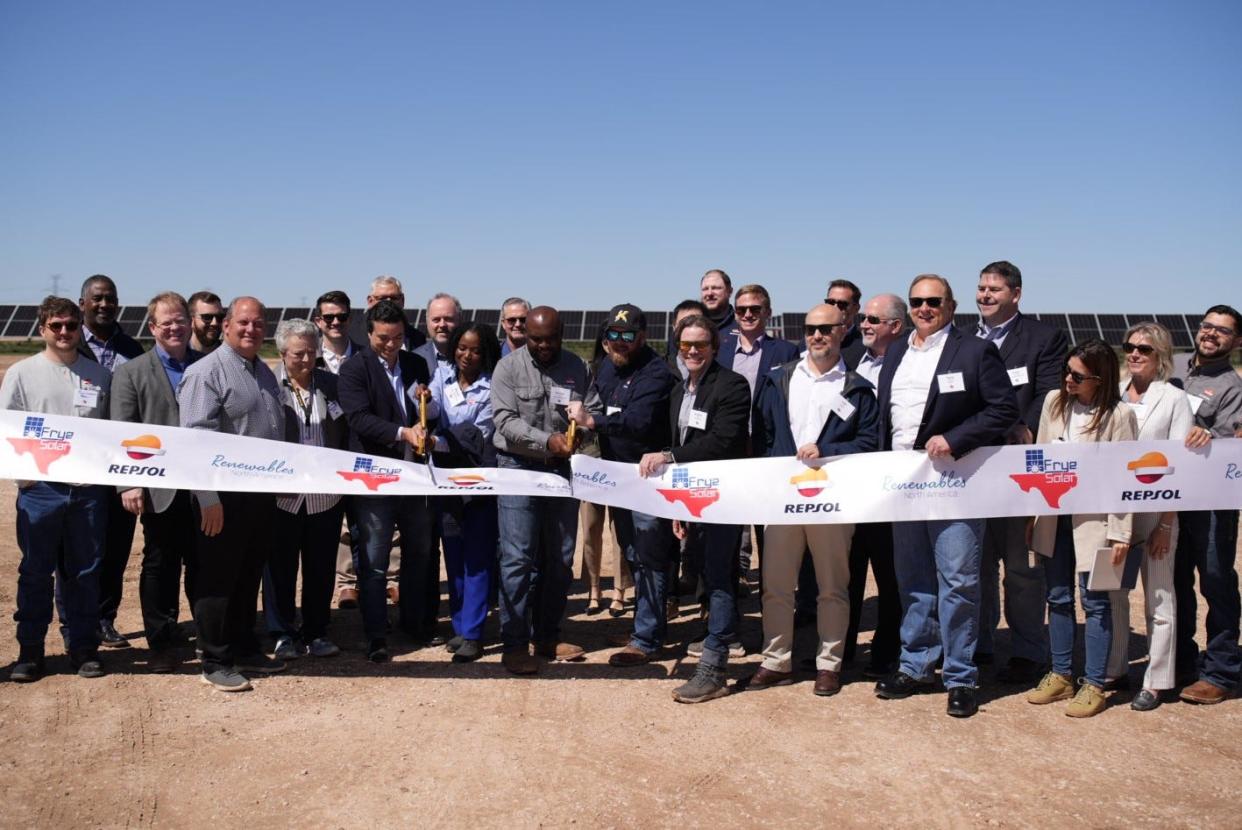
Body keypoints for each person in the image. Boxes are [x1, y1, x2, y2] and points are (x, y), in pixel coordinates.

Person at [874, 274, 1019, 718]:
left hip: (954, 485)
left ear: (951, 306)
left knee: (958, 581)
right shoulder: (896, 351)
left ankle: (960, 675)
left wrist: (955, 438)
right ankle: (917, 664)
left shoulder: (974, 351)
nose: (924, 308)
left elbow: (1003, 409)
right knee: (914, 580)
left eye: (933, 301)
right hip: (904, 484)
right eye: (917, 300)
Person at [748, 302, 879, 696]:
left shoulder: (857, 387)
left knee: (832, 586)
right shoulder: (778, 379)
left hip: (832, 502)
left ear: (844, 330)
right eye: (809, 329)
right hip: (782, 500)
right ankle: (776, 660)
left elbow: (870, 442)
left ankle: (829, 664)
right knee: (775, 584)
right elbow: (763, 438)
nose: (816, 336)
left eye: (825, 329)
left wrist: (829, 449)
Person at [639, 314, 751, 702]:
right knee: (705, 573)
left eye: (700, 345)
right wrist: (678, 507)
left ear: (714, 347)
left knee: (720, 578)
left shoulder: (732, 386)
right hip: (694, 501)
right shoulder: (678, 391)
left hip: (725, 499)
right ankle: (714, 651)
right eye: (686, 345)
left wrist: (669, 455)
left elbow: (722, 442)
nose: (692, 351)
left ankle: (715, 667)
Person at [179, 296, 288, 692]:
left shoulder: (264, 372)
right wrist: (207, 498)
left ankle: (244, 648)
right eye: (243, 323)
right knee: (217, 579)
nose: (250, 330)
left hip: (259, 496)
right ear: (226, 325)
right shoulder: (205, 372)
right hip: (222, 498)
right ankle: (215, 658)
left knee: (247, 576)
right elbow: (194, 439)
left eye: (258, 324)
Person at [2, 296, 112, 682]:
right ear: (42, 329)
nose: (64, 332)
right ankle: (30, 651)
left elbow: (109, 434)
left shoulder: (98, 376)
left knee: (84, 572)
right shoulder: (21, 373)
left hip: (88, 492)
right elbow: (9, 432)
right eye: (56, 326)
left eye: (70, 325)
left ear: (80, 326)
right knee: (35, 572)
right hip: (41, 491)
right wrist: (27, 481)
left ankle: (83, 647)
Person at [1026, 340, 1136, 717]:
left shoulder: (1119, 416)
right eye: (1066, 372)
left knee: (1096, 602)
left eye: (1077, 375)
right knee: (1056, 597)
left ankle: (1095, 684)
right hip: (1054, 517)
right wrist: (1033, 515)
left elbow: (1126, 477)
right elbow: (1037, 460)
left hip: (1096, 522)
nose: (1068, 380)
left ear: (1100, 378)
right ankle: (1060, 675)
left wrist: (1121, 532)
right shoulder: (1054, 403)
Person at [974, 260, 1069, 684]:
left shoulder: (1043, 338)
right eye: (981, 289)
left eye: (994, 289)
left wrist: (1022, 429)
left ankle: (1028, 651)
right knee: (973, 565)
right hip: (971, 466)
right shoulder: (963, 338)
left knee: (1020, 565)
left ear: (1016, 294)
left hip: (1019, 465)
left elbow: (1049, 393)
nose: (985, 296)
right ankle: (979, 645)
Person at [492, 306, 600, 674]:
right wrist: (546, 441)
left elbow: (592, 409)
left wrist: (580, 431)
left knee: (559, 557)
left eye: (549, 339)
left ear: (561, 334)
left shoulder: (577, 367)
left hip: (561, 472)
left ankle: (548, 635)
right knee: (518, 558)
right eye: (535, 339)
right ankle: (515, 643)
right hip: (517, 468)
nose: (541, 346)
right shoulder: (507, 368)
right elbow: (504, 422)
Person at [569, 304, 678, 667]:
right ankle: (643, 628)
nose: (619, 343)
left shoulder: (656, 372)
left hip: (649, 480)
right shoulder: (605, 367)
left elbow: (639, 422)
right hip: (619, 479)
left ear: (642, 337)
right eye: (612, 336)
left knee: (649, 557)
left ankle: (647, 639)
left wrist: (593, 421)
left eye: (627, 336)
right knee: (632, 554)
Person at [1108, 323, 1208, 710]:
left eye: (1144, 350)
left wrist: (1167, 523)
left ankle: (1158, 678)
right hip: (1115, 511)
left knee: (1159, 596)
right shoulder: (1113, 391)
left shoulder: (1174, 399)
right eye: (1129, 347)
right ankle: (1115, 669)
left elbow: (1179, 465)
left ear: (1160, 356)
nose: (1134, 354)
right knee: (1113, 592)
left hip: (1156, 509)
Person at [337, 299, 438, 661]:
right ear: (368, 335)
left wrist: (428, 416)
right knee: (375, 558)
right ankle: (376, 634)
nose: (391, 345)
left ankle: (414, 625)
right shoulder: (353, 369)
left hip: (413, 476)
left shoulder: (416, 363)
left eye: (396, 337)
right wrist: (402, 433)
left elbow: (425, 412)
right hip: (374, 480)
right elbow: (359, 419)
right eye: (383, 338)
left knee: (418, 554)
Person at [110, 291, 201, 673]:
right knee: (161, 562)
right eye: (167, 322)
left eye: (181, 320)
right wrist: (129, 484)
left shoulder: (206, 364)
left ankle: (205, 632)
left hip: (202, 485)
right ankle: (161, 640)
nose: (175, 327)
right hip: (159, 486)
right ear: (153, 328)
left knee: (202, 561)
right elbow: (123, 430)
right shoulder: (131, 372)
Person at [262, 319, 350, 661]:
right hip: (283, 496)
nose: (306, 360)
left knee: (320, 567)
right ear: (283, 353)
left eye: (312, 352)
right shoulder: (268, 385)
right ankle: (282, 632)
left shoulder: (331, 384)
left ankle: (317, 631)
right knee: (279, 568)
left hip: (324, 497)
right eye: (299, 353)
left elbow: (342, 431)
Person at [1173, 304, 1242, 705]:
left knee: (1215, 579)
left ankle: (1220, 670)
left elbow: (1232, 444)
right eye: (1206, 326)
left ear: (1236, 341)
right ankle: (1181, 662)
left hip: (1212, 499)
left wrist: (1209, 437)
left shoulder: (1233, 386)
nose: (1211, 333)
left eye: (1222, 330)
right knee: (1175, 580)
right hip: (1169, 496)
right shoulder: (1175, 366)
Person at [76, 274, 145, 649]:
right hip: (81, 465)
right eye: (98, 299)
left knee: (117, 547)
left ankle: (105, 618)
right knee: (79, 548)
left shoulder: (132, 349)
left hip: (122, 465)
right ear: (83, 301)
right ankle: (76, 621)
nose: (105, 305)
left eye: (111, 299)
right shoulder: (69, 345)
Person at [838, 293, 905, 677]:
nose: (864, 324)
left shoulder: (908, 364)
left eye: (873, 320)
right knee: (846, 571)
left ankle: (886, 652)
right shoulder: (849, 362)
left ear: (895, 327)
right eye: (864, 318)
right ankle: (840, 649)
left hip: (891, 486)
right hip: (849, 483)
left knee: (889, 576)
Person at [428, 322, 501, 663]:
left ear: (484, 352)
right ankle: (459, 626)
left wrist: (435, 440)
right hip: (444, 481)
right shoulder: (440, 378)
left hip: (478, 481)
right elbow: (430, 412)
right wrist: (421, 410)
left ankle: (473, 632)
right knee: (453, 556)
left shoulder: (492, 387)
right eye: (461, 348)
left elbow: (475, 434)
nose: (466, 355)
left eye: (474, 350)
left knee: (477, 557)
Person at [717, 284, 799, 585]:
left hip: (768, 450)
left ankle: (772, 595)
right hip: (731, 450)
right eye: (742, 310)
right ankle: (725, 597)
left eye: (755, 309)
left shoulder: (786, 351)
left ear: (768, 312)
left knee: (770, 529)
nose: (748, 314)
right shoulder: (721, 350)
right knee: (727, 526)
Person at [578, 325, 631, 617]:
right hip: (591, 460)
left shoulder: (633, 374)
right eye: (612, 339)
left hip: (621, 461)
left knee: (620, 530)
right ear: (604, 343)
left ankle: (620, 591)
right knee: (589, 529)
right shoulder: (590, 372)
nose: (616, 344)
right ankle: (593, 589)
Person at [346, 275, 427, 352]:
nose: (389, 303)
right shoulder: (351, 333)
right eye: (382, 298)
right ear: (370, 301)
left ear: (402, 300)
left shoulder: (417, 338)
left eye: (394, 298)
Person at [312, 290, 364, 374]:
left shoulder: (368, 357)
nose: (336, 322)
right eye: (329, 317)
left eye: (342, 317)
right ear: (318, 322)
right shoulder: (308, 358)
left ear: (350, 319)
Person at [824, 278, 864, 362]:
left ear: (856, 308)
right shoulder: (808, 344)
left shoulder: (866, 347)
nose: (835, 308)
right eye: (830, 302)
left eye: (842, 304)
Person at [699, 269, 736, 333]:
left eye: (715, 288)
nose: (709, 293)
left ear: (730, 291)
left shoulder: (743, 324)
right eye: (705, 289)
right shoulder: (692, 325)